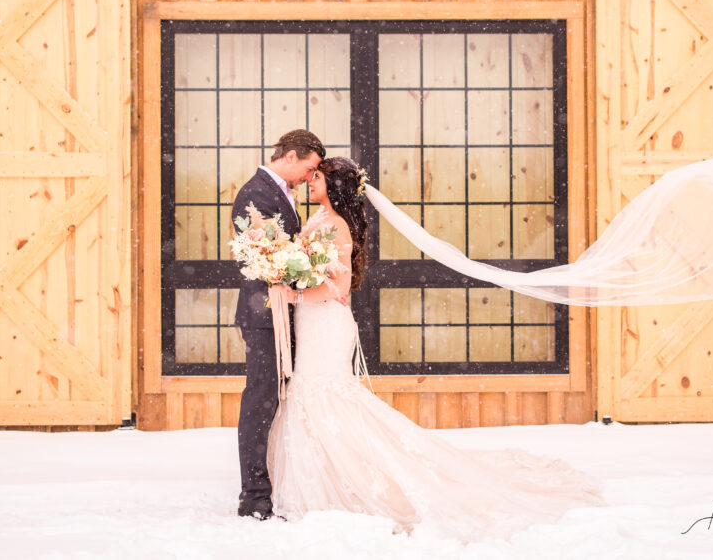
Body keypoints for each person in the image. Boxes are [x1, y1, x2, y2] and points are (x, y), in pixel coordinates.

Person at [265, 158, 606, 540]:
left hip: (326, 324)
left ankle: (358, 481)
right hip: (311, 323)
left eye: (318, 176)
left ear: (335, 185)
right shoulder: (317, 219)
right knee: (312, 394)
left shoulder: (338, 226)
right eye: (312, 175)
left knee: (326, 394)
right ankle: (329, 478)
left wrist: (292, 291)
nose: (311, 181)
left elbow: (338, 289)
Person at [231, 129, 325, 521]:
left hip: (281, 312)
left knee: (274, 401)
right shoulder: (255, 194)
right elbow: (258, 258)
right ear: (290, 156)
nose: (310, 175)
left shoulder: (281, 192)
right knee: (260, 401)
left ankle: (274, 484)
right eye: (310, 167)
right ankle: (253, 496)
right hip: (264, 316)